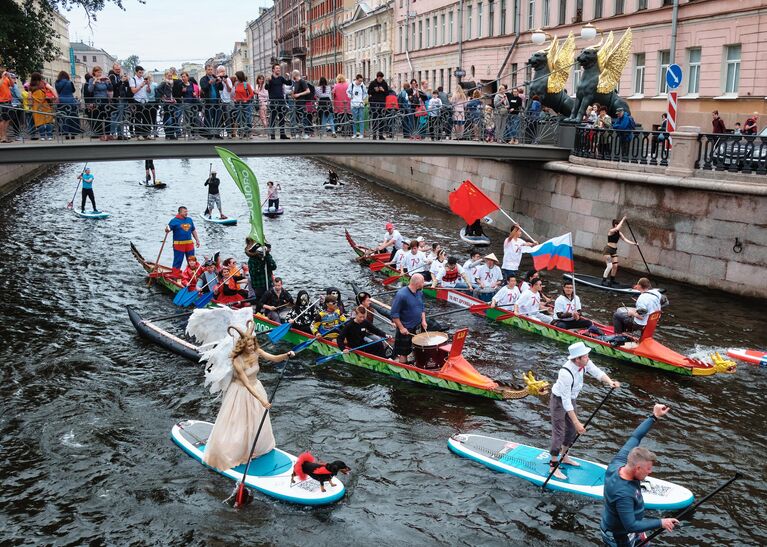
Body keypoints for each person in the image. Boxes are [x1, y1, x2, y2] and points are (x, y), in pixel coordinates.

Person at [202, 323, 294, 472]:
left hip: (256, 387)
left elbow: (274, 358)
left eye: (253, 344)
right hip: (241, 392)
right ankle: (234, 452)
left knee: (255, 421)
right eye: (249, 346)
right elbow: (246, 383)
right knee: (238, 423)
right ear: (243, 346)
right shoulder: (237, 360)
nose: (252, 348)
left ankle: (254, 448)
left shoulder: (256, 351)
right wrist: (262, 400)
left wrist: (287, 355)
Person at [600, 404, 679, 546]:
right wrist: (661, 522)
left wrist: (654, 417)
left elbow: (636, 436)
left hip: (631, 526)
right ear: (637, 468)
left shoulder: (619, 462)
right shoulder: (623, 493)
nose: (650, 472)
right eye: (648, 469)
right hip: (619, 536)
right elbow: (630, 526)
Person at [548, 342, 620, 480]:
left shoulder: (585, 362)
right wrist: (577, 422)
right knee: (559, 432)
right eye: (585, 357)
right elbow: (566, 401)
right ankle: (553, 465)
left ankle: (564, 457)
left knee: (571, 431)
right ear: (577, 359)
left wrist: (609, 381)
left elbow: (597, 372)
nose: (588, 359)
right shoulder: (565, 373)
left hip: (571, 399)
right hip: (559, 401)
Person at [390, 274, 428, 364]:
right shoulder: (401, 295)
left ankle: (417, 363)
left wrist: (423, 320)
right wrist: (401, 328)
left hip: (417, 326)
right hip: (406, 328)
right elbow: (394, 314)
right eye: (423, 282)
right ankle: (403, 367)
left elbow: (422, 307)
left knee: (417, 347)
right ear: (417, 283)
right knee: (403, 353)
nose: (424, 284)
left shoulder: (419, 292)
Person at [602, 216, 638, 286]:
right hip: (608, 250)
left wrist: (634, 243)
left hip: (614, 251)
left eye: (618, 224)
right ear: (614, 225)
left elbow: (625, 239)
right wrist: (623, 219)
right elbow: (618, 228)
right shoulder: (611, 231)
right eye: (616, 224)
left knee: (615, 266)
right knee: (610, 266)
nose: (618, 226)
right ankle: (603, 281)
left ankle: (612, 281)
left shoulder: (619, 233)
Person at [166, 206, 200, 275]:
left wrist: (197, 240)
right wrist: (167, 229)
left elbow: (193, 230)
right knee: (178, 261)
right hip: (179, 245)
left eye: (187, 212)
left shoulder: (189, 220)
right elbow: (168, 229)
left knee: (192, 261)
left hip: (189, 244)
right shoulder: (174, 221)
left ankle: (192, 275)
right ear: (180, 212)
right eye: (185, 212)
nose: (186, 213)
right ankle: (175, 275)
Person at [368, 71, 389, 140]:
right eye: (379, 78)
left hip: (382, 103)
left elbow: (387, 93)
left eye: (381, 78)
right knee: (374, 119)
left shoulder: (384, 83)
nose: (380, 80)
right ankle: (374, 134)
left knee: (382, 119)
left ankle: (380, 134)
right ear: (377, 77)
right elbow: (369, 92)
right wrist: (375, 90)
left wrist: (383, 90)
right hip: (374, 103)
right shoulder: (372, 83)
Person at [348, 74, 367, 139]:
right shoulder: (352, 85)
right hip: (354, 104)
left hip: (361, 104)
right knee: (354, 119)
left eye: (361, 81)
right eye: (359, 81)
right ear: (356, 79)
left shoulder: (362, 86)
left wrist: (363, 99)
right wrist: (351, 97)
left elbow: (365, 93)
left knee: (361, 119)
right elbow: (347, 92)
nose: (360, 82)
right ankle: (354, 133)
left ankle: (361, 134)